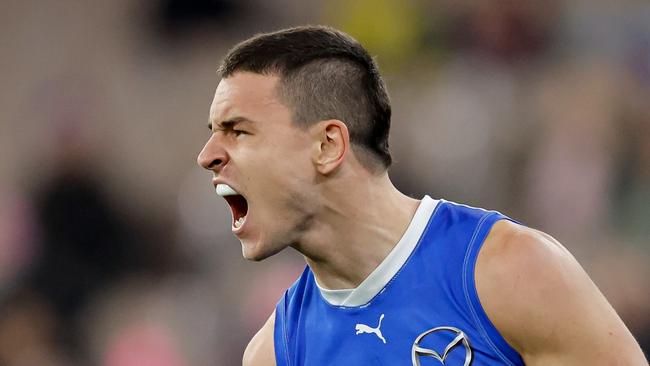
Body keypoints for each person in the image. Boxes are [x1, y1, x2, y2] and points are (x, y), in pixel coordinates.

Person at [197, 25, 647, 365]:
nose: (207, 156)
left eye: (238, 131)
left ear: (328, 145)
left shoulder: (510, 271)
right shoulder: (276, 352)